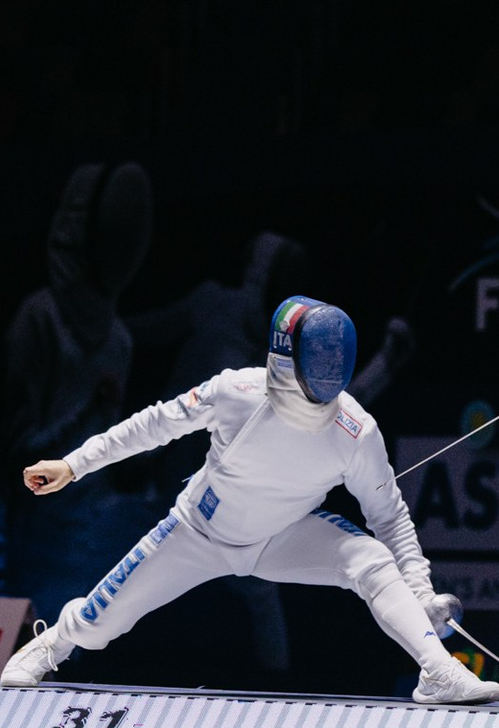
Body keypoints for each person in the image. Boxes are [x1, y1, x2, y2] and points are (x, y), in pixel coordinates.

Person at [0, 293, 499, 705]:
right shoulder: (237, 392)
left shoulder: (355, 430)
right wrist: (74, 464)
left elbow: (389, 517)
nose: (326, 374)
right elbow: (155, 425)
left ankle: (437, 670)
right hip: (196, 533)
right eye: (319, 360)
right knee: (98, 625)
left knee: (369, 559)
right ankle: (51, 644)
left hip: (280, 537)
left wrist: (419, 593)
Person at [125, 231, 418, 674]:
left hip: (240, 503)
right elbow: (142, 333)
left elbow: (329, 412)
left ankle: (277, 690)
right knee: (121, 577)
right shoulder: (213, 308)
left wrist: (385, 364)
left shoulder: (288, 356)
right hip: (163, 489)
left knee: (262, 597)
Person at [0, 160, 158, 616]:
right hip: (31, 543)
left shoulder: (118, 339)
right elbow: (19, 452)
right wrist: (87, 411)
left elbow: (105, 449)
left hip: (89, 543)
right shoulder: (40, 318)